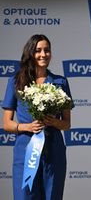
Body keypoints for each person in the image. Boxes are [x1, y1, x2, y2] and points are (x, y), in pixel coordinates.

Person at [2, 34, 73, 200]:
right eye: (38, 50)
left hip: (53, 149)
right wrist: (26, 127)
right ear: (31, 53)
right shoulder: (16, 81)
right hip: (26, 149)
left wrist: (54, 122)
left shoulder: (60, 82)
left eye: (47, 50)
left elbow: (67, 124)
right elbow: (6, 123)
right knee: (25, 195)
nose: (43, 54)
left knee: (52, 196)